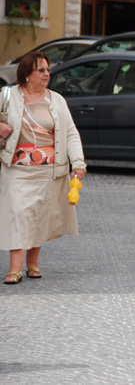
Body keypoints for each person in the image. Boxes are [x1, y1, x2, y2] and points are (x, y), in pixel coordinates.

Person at [0, 51, 87, 285]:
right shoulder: (7, 96)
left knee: (40, 217)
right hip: (17, 168)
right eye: (41, 70)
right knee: (18, 215)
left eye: (48, 69)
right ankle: (14, 269)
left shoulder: (56, 100)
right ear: (27, 74)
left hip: (49, 170)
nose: (47, 74)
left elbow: (70, 132)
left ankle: (32, 264)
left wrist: (78, 163)